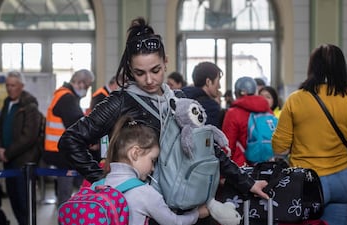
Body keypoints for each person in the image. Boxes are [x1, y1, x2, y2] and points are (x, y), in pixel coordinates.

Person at [58, 17, 269, 224]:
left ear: (165, 62)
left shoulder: (180, 99)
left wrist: (246, 182)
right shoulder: (120, 101)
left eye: (155, 70)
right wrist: (104, 181)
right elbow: (70, 141)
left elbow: (208, 147)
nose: (149, 80)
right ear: (130, 70)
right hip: (145, 209)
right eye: (140, 73)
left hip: (188, 201)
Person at [272, 44, 347, 225]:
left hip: (306, 184)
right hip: (345, 182)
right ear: (341, 67)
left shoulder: (296, 99)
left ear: (312, 67)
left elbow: (279, 147)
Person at [103, 115, 208, 224]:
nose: (153, 168)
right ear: (135, 153)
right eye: (152, 160)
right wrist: (197, 214)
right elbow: (174, 222)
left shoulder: (97, 186)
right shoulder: (144, 193)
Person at [0, 71, 42, 225]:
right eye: (7, 85)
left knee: (24, 205)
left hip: (23, 163)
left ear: (21, 86)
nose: (9, 88)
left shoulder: (30, 106)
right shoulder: (7, 103)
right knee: (13, 201)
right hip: (8, 161)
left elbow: (29, 136)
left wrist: (7, 153)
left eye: (13, 85)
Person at [43, 69, 95, 206]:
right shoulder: (67, 98)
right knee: (67, 194)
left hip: (57, 150)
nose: (88, 89)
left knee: (65, 192)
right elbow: (78, 126)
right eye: (88, 86)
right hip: (62, 152)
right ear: (80, 83)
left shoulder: (62, 95)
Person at [222, 77, 272, 167]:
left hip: (241, 167)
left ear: (237, 93)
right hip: (266, 164)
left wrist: (223, 173)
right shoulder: (267, 110)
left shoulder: (233, 113)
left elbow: (228, 145)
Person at [87, 75, 119, 162]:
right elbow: (97, 121)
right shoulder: (101, 96)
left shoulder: (107, 95)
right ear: (116, 84)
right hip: (100, 139)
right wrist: (96, 142)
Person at [182, 62, 223, 128]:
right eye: (218, 81)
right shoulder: (211, 108)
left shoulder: (182, 97)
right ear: (208, 82)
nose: (219, 86)